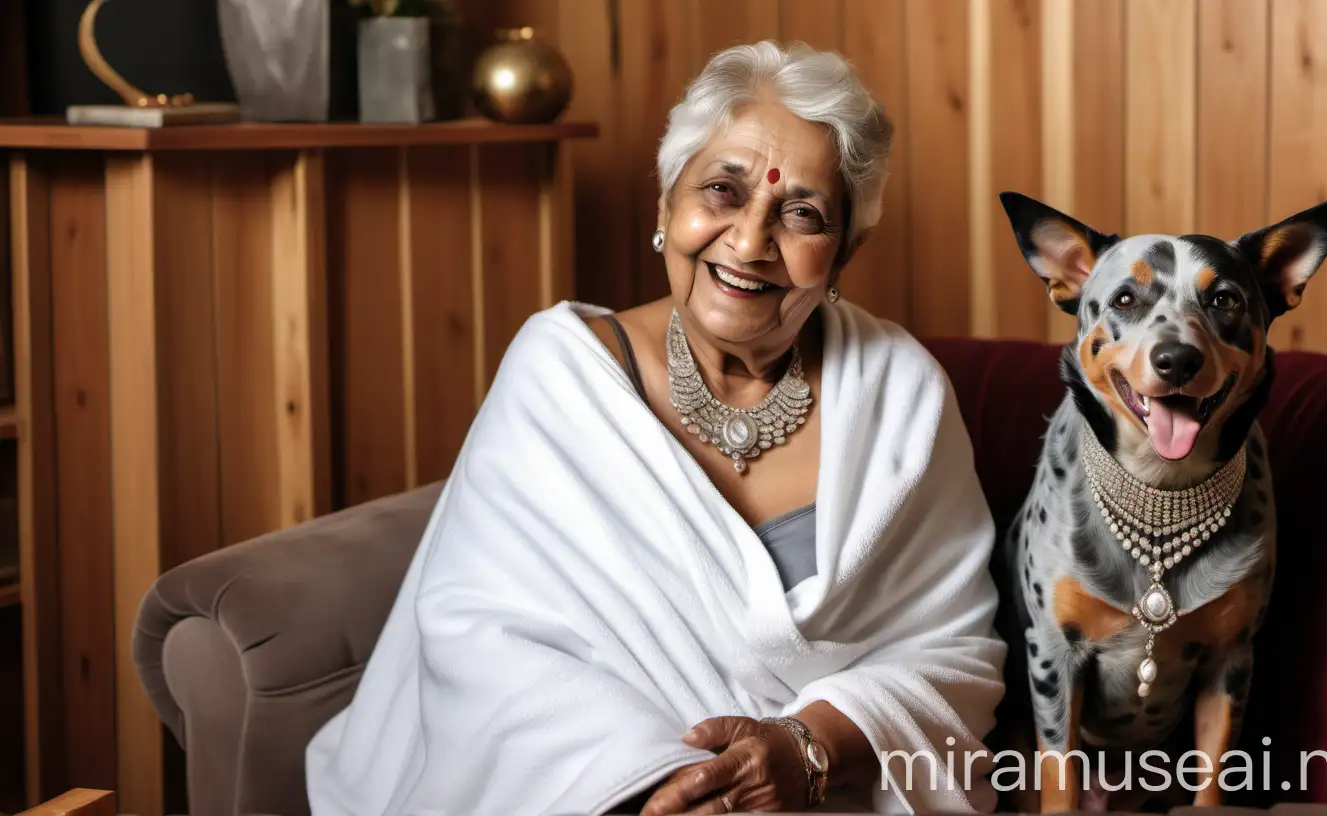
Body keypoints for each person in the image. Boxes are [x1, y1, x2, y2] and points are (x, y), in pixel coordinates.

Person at [305, 41, 1005, 815]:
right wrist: (662, 785)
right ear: (666, 203)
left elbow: (955, 652)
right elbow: (483, 640)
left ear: (843, 253)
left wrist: (803, 750)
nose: (748, 241)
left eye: (800, 212)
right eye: (722, 191)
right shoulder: (563, 373)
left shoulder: (899, 393)